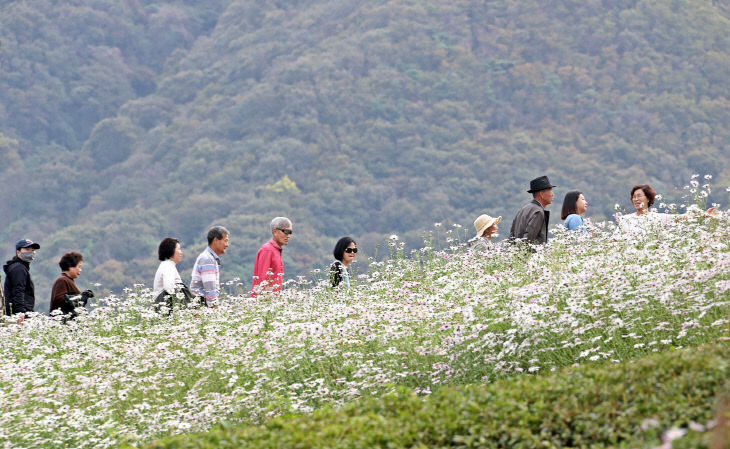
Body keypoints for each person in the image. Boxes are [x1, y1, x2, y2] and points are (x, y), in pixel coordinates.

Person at [618, 184, 715, 233]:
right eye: (634, 197)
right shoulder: (625, 219)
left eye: (639, 196)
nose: (636, 199)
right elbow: (614, 240)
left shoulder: (658, 218)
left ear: (647, 198)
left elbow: (683, 217)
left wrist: (705, 215)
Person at [251, 217, 292, 296]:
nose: (288, 236)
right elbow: (262, 280)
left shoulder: (276, 250)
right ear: (275, 231)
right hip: (264, 301)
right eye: (286, 232)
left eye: (290, 232)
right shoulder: (267, 250)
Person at [510, 176, 556, 244]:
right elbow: (528, 240)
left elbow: (511, 236)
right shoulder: (538, 212)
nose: (552, 194)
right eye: (550, 191)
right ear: (541, 194)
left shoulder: (523, 210)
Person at [190, 226, 229, 307]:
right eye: (225, 241)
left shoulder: (210, 258)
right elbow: (210, 290)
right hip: (201, 307)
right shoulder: (207, 259)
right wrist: (215, 309)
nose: (227, 245)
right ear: (215, 240)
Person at [3, 239, 40, 316]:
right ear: (18, 252)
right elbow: (18, 292)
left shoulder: (20, 267)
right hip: (20, 315)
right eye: (27, 249)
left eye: (32, 250)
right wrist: (21, 314)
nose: (31, 252)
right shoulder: (19, 269)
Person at [50, 252, 93, 316]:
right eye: (79, 267)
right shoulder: (62, 280)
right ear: (70, 266)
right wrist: (81, 297)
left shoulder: (68, 280)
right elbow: (59, 300)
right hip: (63, 322)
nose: (80, 270)